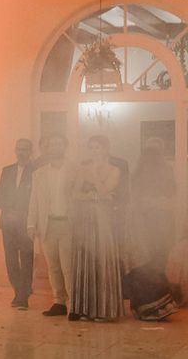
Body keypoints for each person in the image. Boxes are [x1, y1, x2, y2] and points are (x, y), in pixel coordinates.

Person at [68, 135, 123, 322]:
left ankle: (104, 310)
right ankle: (85, 309)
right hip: (84, 220)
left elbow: (104, 192)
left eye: (97, 147)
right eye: (91, 148)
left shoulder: (115, 170)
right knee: (85, 261)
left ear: (106, 149)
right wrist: (93, 195)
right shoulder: (82, 169)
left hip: (103, 221)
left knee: (102, 261)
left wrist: (94, 178)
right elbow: (75, 195)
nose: (94, 151)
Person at [125, 142, 177, 320]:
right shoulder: (138, 175)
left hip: (160, 224)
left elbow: (172, 194)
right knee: (144, 266)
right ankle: (146, 307)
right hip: (144, 225)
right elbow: (134, 200)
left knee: (156, 265)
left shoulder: (165, 173)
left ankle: (154, 306)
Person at [27, 133, 75, 317]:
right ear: (47, 148)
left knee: (68, 266)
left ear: (65, 146)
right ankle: (59, 302)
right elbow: (34, 201)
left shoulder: (74, 170)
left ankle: (74, 303)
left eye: (59, 143)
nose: (55, 147)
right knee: (52, 266)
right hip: (47, 224)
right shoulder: (39, 174)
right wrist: (31, 224)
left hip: (68, 224)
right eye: (52, 144)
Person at [0, 139, 34, 310]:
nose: (21, 152)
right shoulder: (7, 170)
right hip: (8, 221)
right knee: (10, 259)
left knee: (26, 259)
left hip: (26, 222)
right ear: (15, 150)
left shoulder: (36, 171)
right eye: (19, 149)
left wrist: (23, 213)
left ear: (30, 151)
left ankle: (22, 295)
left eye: (25, 149)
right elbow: (0, 195)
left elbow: (35, 197)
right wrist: (9, 209)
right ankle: (20, 290)